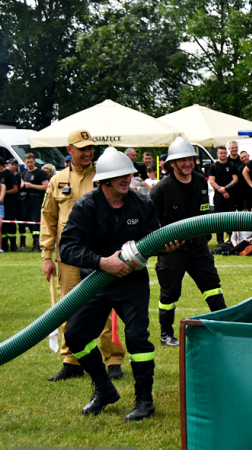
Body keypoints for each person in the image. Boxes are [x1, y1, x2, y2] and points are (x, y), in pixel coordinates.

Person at [59, 147, 181, 421]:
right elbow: (67, 248)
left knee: (137, 338)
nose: (128, 178)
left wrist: (167, 246)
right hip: (96, 282)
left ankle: (144, 402)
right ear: (104, 180)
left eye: (130, 173)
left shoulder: (142, 204)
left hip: (132, 282)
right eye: (120, 175)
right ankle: (104, 390)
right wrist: (102, 262)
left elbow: (153, 239)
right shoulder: (86, 206)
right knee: (76, 336)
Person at [41, 131, 128, 381]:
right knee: (68, 306)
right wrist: (47, 255)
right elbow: (48, 219)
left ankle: (113, 359)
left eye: (90, 147)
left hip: (99, 254)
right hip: (68, 254)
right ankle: (72, 361)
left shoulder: (104, 177)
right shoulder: (57, 180)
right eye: (81, 148)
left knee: (105, 305)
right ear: (70, 150)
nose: (87, 152)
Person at [151, 137, 227, 347]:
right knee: (170, 292)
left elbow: (204, 211)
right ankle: (166, 333)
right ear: (172, 163)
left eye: (190, 160)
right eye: (181, 160)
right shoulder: (161, 189)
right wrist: (162, 243)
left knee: (212, 286)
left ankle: (223, 326)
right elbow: (151, 221)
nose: (187, 164)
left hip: (198, 247)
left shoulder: (201, 180)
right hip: (172, 251)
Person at [208, 146, 240, 244]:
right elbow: (211, 181)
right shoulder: (214, 166)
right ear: (217, 154)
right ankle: (220, 240)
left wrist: (226, 189)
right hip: (218, 197)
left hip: (231, 196)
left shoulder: (232, 165)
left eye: (224, 153)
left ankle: (231, 239)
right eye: (221, 153)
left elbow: (235, 179)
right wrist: (221, 190)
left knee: (230, 218)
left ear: (227, 153)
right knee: (219, 219)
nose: (223, 155)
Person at [20, 152, 49, 252]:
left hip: (37, 199)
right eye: (27, 162)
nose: (29, 164)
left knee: (36, 221)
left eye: (31, 162)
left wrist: (32, 186)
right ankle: (34, 242)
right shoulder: (24, 174)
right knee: (28, 220)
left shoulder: (40, 172)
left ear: (34, 161)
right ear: (25, 162)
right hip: (26, 200)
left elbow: (45, 186)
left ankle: (38, 244)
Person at [0, 159, 19, 251]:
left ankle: (13, 245)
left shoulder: (8, 174)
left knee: (10, 223)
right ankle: (4, 245)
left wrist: (3, 193)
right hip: (1, 204)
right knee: (2, 225)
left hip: (9, 202)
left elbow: (15, 189)